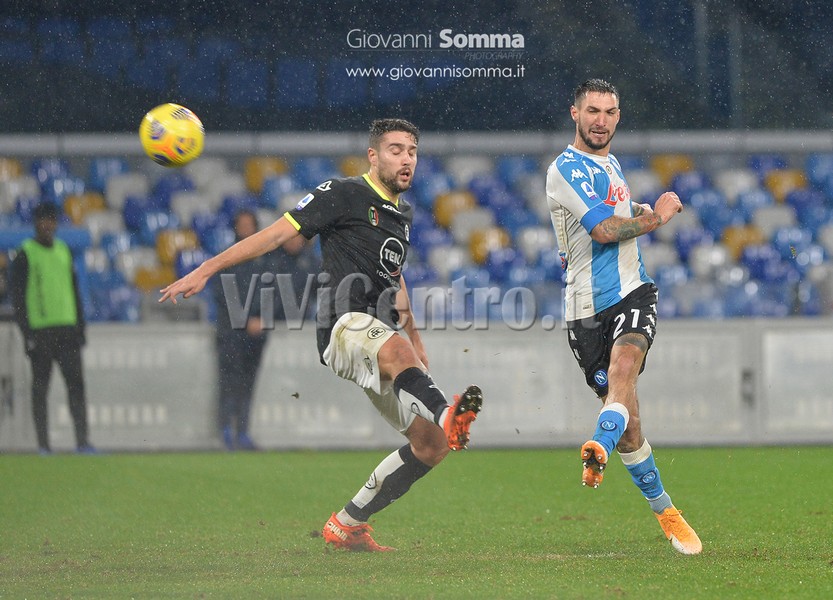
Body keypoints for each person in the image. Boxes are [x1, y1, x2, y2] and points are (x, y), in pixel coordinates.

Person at [160, 118, 483, 551]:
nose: (406, 159)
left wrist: (416, 337)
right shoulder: (343, 193)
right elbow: (275, 235)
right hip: (343, 325)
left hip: (378, 337)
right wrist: (206, 268)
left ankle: (347, 524)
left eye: (412, 151)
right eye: (395, 150)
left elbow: (394, 277)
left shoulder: (400, 216)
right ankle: (448, 413)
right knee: (404, 362)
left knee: (432, 445)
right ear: (373, 156)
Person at [545, 79, 702, 555]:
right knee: (630, 424)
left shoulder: (610, 164)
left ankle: (598, 444)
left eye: (609, 112)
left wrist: (638, 208)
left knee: (624, 368)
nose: (601, 121)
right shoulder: (564, 168)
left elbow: (615, 209)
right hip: (584, 310)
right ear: (574, 113)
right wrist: (657, 217)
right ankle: (663, 508)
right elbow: (603, 229)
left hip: (633, 291)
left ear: (618, 116)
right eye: (592, 111)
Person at [213, 209, 318, 451]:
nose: (246, 229)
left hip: (257, 332)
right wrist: (246, 319)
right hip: (231, 332)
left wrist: (263, 318)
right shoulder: (228, 257)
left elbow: (276, 292)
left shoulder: (267, 258)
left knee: (248, 382)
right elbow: (223, 294)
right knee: (229, 381)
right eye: (242, 225)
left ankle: (242, 431)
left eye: (249, 225)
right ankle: (226, 431)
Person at [10, 201, 96, 455]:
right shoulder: (25, 254)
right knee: (40, 389)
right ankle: (44, 445)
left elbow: (74, 291)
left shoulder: (63, 251)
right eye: (43, 220)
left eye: (51, 220)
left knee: (76, 387)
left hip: (67, 330)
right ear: (36, 223)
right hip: (41, 332)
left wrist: (80, 327)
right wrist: (27, 334)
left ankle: (82, 442)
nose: (48, 225)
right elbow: (18, 299)